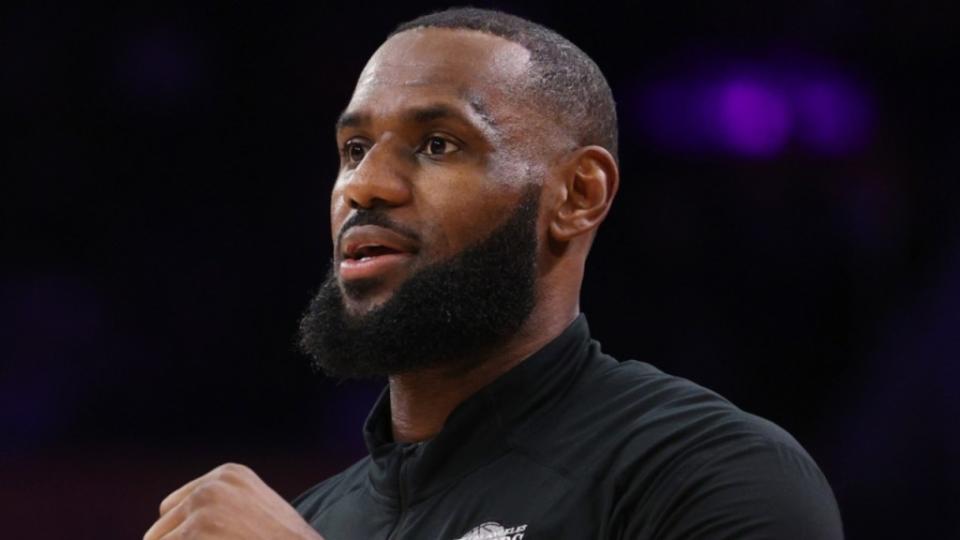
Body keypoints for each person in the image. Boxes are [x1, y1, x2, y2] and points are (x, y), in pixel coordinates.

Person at [145, 7, 843, 540]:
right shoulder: (317, 518)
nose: (366, 185)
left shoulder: (706, 473)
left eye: (438, 144)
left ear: (578, 195)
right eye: (354, 148)